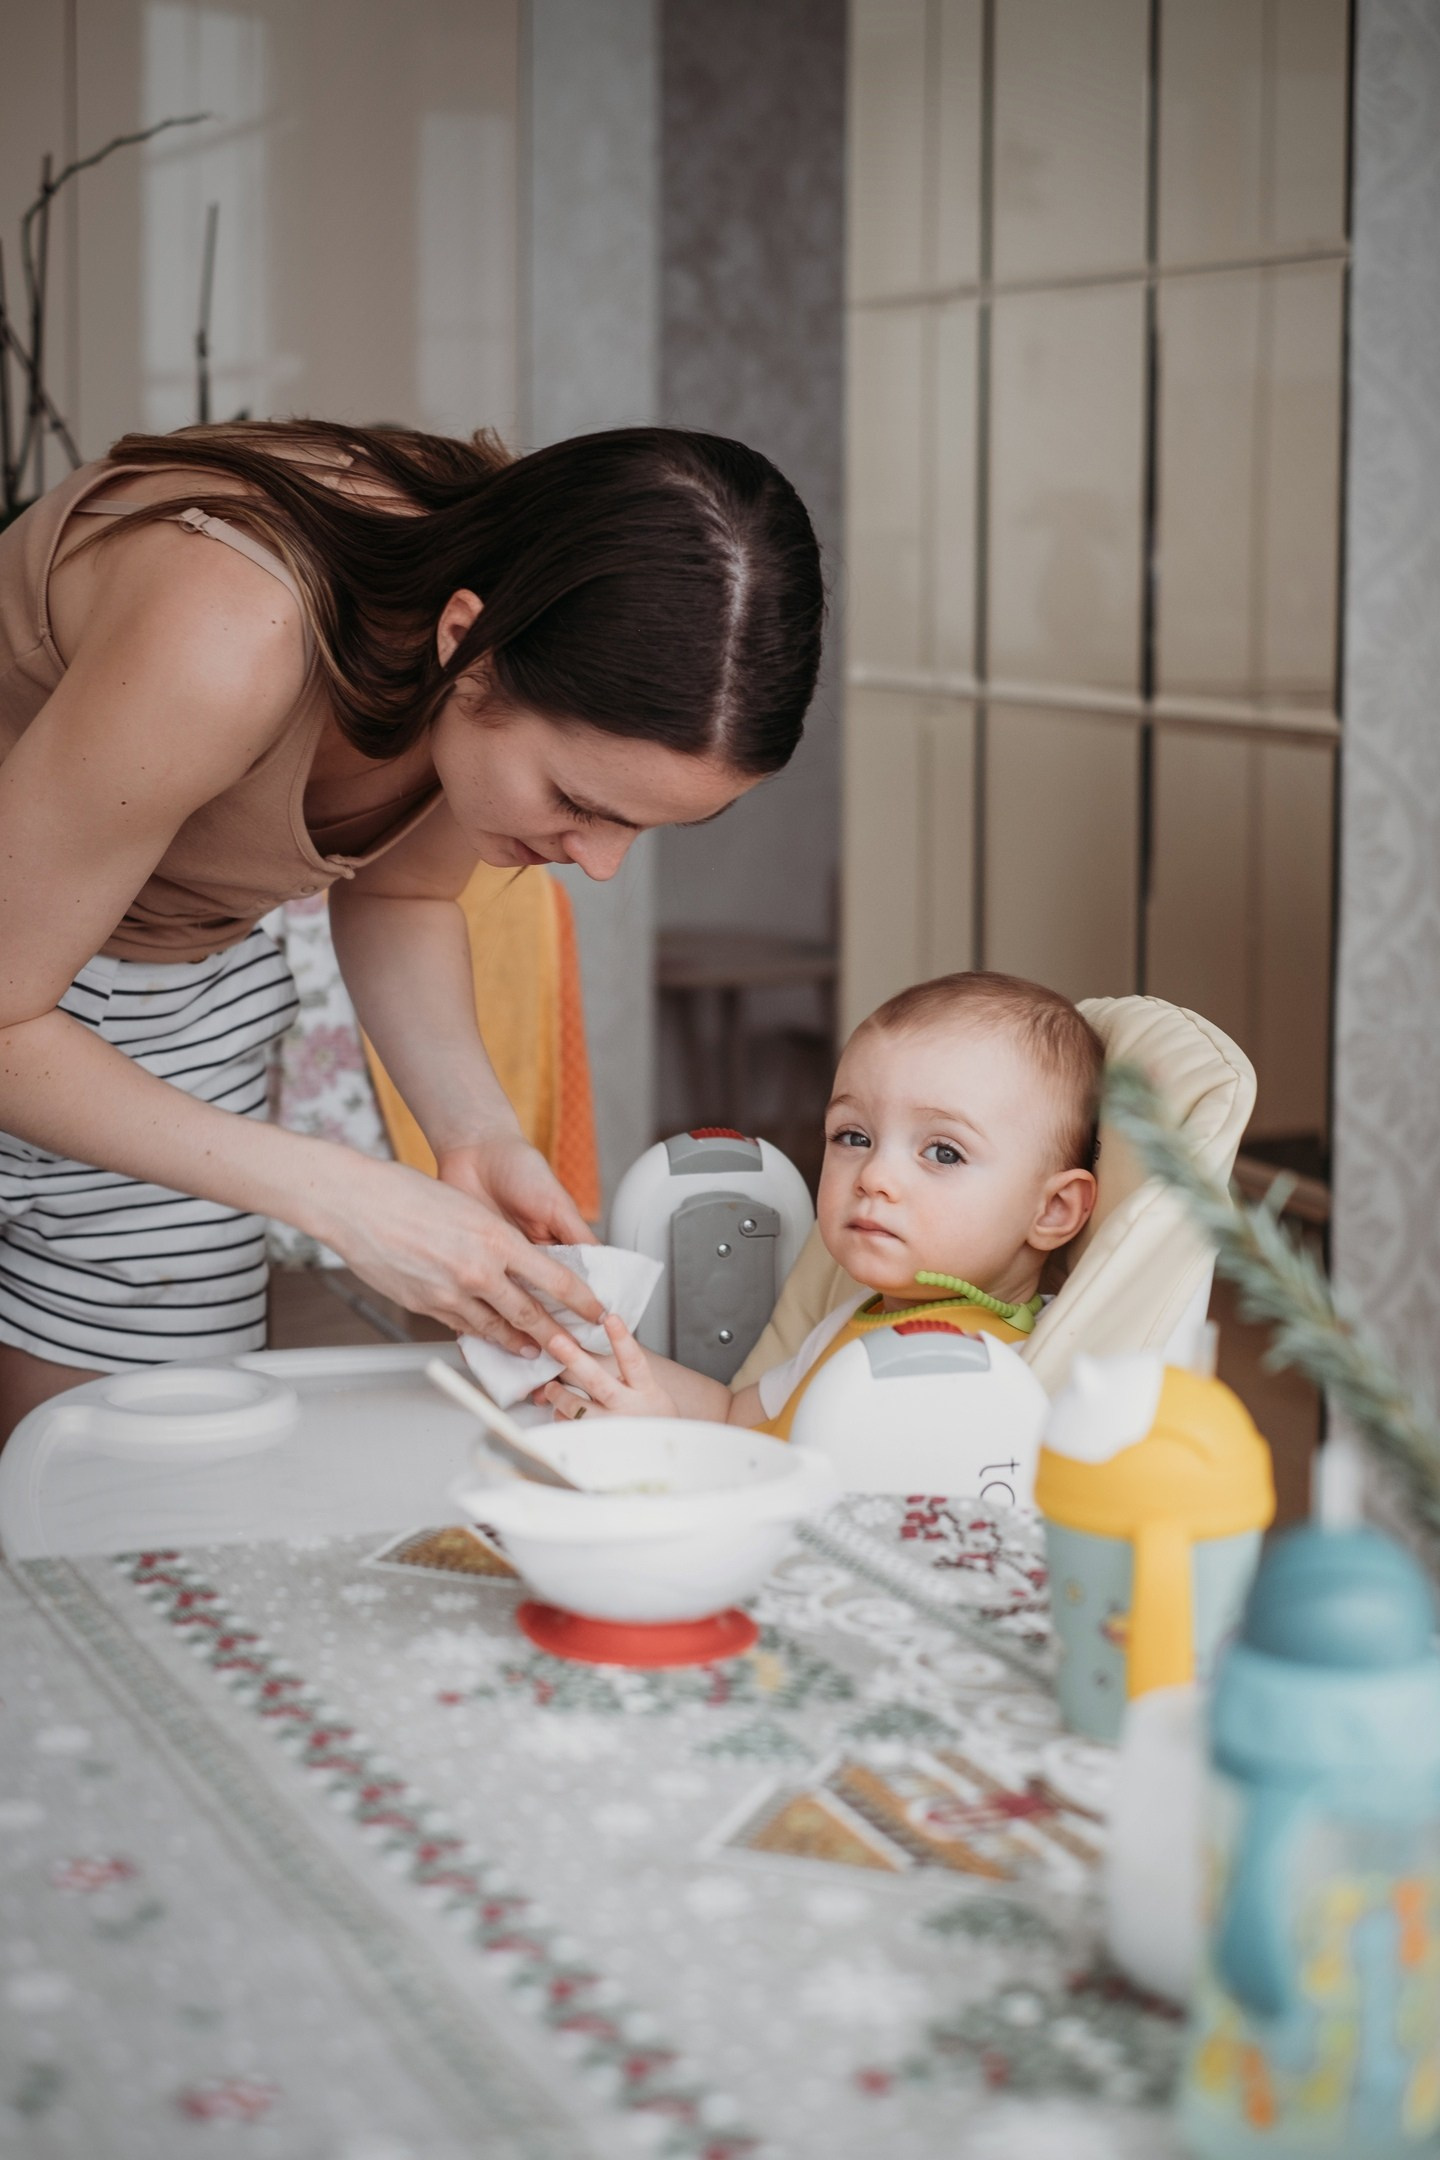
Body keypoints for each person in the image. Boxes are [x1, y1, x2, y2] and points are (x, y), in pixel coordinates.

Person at [0, 419, 823, 1437]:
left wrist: (476, 1135)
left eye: (639, 829)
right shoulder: (229, 633)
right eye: (575, 798)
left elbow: (400, 895)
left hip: (177, 981)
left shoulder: (500, 616)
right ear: (462, 644)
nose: (600, 864)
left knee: (105, 1477)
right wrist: (338, 1194)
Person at [539, 971, 1102, 1435]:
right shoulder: (849, 1323)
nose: (874, 1176)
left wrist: (663, 1439)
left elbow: (826, 1496)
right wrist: (591, 1361)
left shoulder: (983, 1372)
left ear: (1051, 1211)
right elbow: (733, 1417)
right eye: (854, 1137)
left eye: (944, 1152)